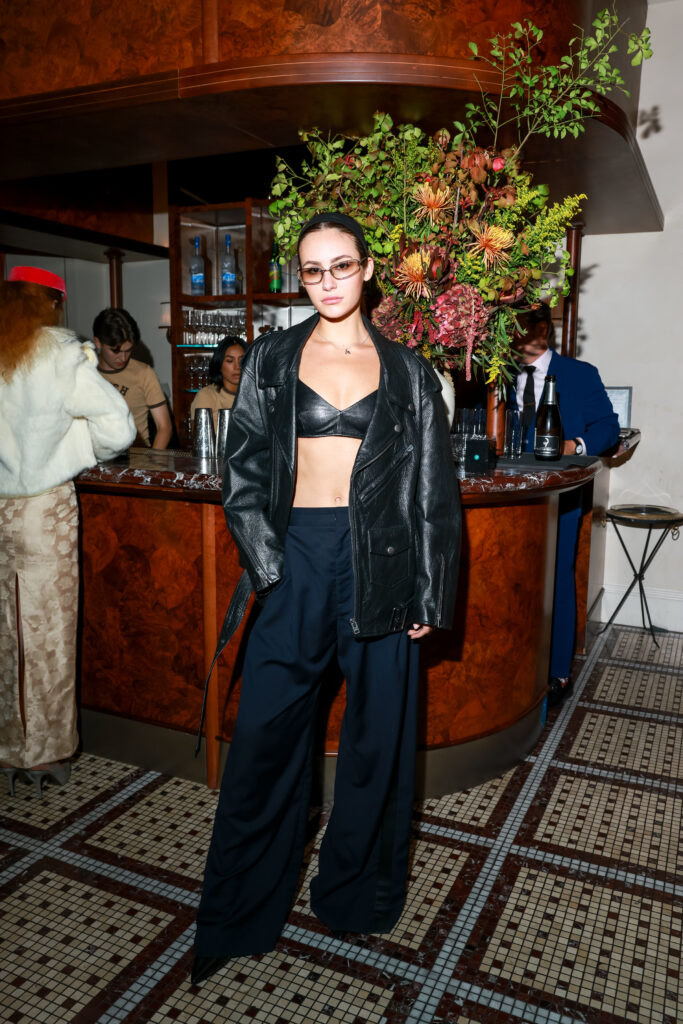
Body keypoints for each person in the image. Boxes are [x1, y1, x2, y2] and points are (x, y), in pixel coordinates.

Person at [191, 212, 461, 986]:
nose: (327, 282)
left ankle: (356, 898)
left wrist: (429, 588)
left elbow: (433, 490)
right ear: (300, 278)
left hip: (383, 562)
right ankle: (239, 911)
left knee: (378, 742)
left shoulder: (407, 370)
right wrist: (268, 564)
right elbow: (243, 471)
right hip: (296, 561)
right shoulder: (272, 357)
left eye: (341, 266)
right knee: (264, 740)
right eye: (312, 270)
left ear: (367, 268)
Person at [0, 266, 135, 798]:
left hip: (2, 510)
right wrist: (81, 446)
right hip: (46, 510)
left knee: (8, 632)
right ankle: (46, 754)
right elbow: (119, 428)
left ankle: (9, 745)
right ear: (53, 303)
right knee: (49, 632)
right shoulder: (60, 354)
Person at [513, 303, 619, 705]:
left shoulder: (579, 374)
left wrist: (576, 445)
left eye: (520, 324)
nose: (512, 333)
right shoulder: (492, 373)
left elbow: (608, 427)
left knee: (558, 575)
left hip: (560, 494)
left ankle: (557, 672)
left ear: (543, 328)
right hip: (504, 493)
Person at [93, 307, 172, 449]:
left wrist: (152, 461)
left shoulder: (144, 374)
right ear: (98, 342)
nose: (123, 358)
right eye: (115, 351)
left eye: (128, 350)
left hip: (137, 458)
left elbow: (164, 427)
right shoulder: (85, 372)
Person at [190, 336, 245, 430]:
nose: (237, 367)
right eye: (230, 361)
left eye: (242, 360)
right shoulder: (207, 396)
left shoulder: (255, 395)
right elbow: (200, 435)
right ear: (219, 364)